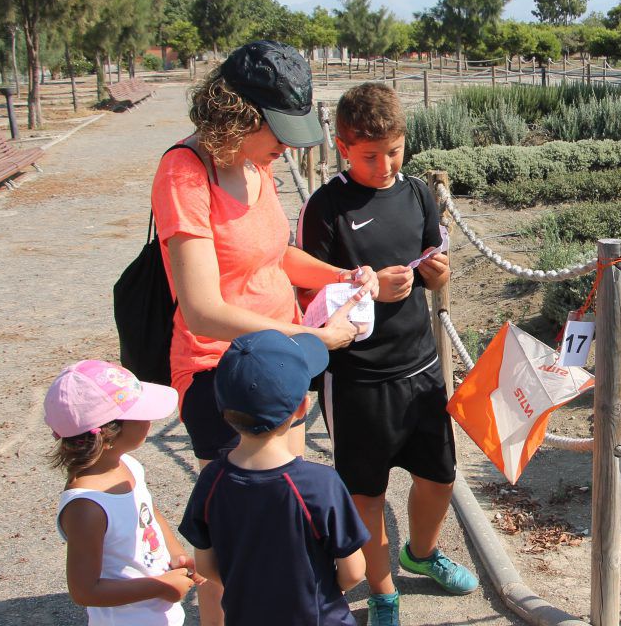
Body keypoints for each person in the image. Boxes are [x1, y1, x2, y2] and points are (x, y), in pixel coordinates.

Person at [150, 39, 377, 625]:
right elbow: (201, 308)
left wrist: (341, 278)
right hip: (224, 375)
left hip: (281, 362)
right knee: (233, 541)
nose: (284, 144)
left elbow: (278, 258)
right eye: (276, 129)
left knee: (287, 521)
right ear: (239, 115)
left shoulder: (255, 163)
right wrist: (306, 339)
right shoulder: (185, 172)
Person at [297, 82, 476, 625]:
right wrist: (366, 288)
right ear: (342, 147)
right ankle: (381, 592)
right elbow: (307, 297)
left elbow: (433, 254)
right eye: (370, 156)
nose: (384, 165)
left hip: (420, 365)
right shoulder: (325, 208)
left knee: (440, 477)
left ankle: (419, 554)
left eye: (394, 152)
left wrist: (437, 274)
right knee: (366, 495)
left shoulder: (420, 192)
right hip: (356, 378)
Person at [177, 330, 369, 626]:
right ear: (302, 408)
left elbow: (206, 565)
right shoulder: (321, 484)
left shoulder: (210, 480)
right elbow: (354, 571)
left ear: (223, 410)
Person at [49, 360, 206, 625]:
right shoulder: (87, 508)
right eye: (140, 413)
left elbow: (148, 514)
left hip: (160, 613)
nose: (149, 420)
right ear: (108, 434)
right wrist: (159, 587)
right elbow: (84, 590)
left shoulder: (127, 465)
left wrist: (175, 555)